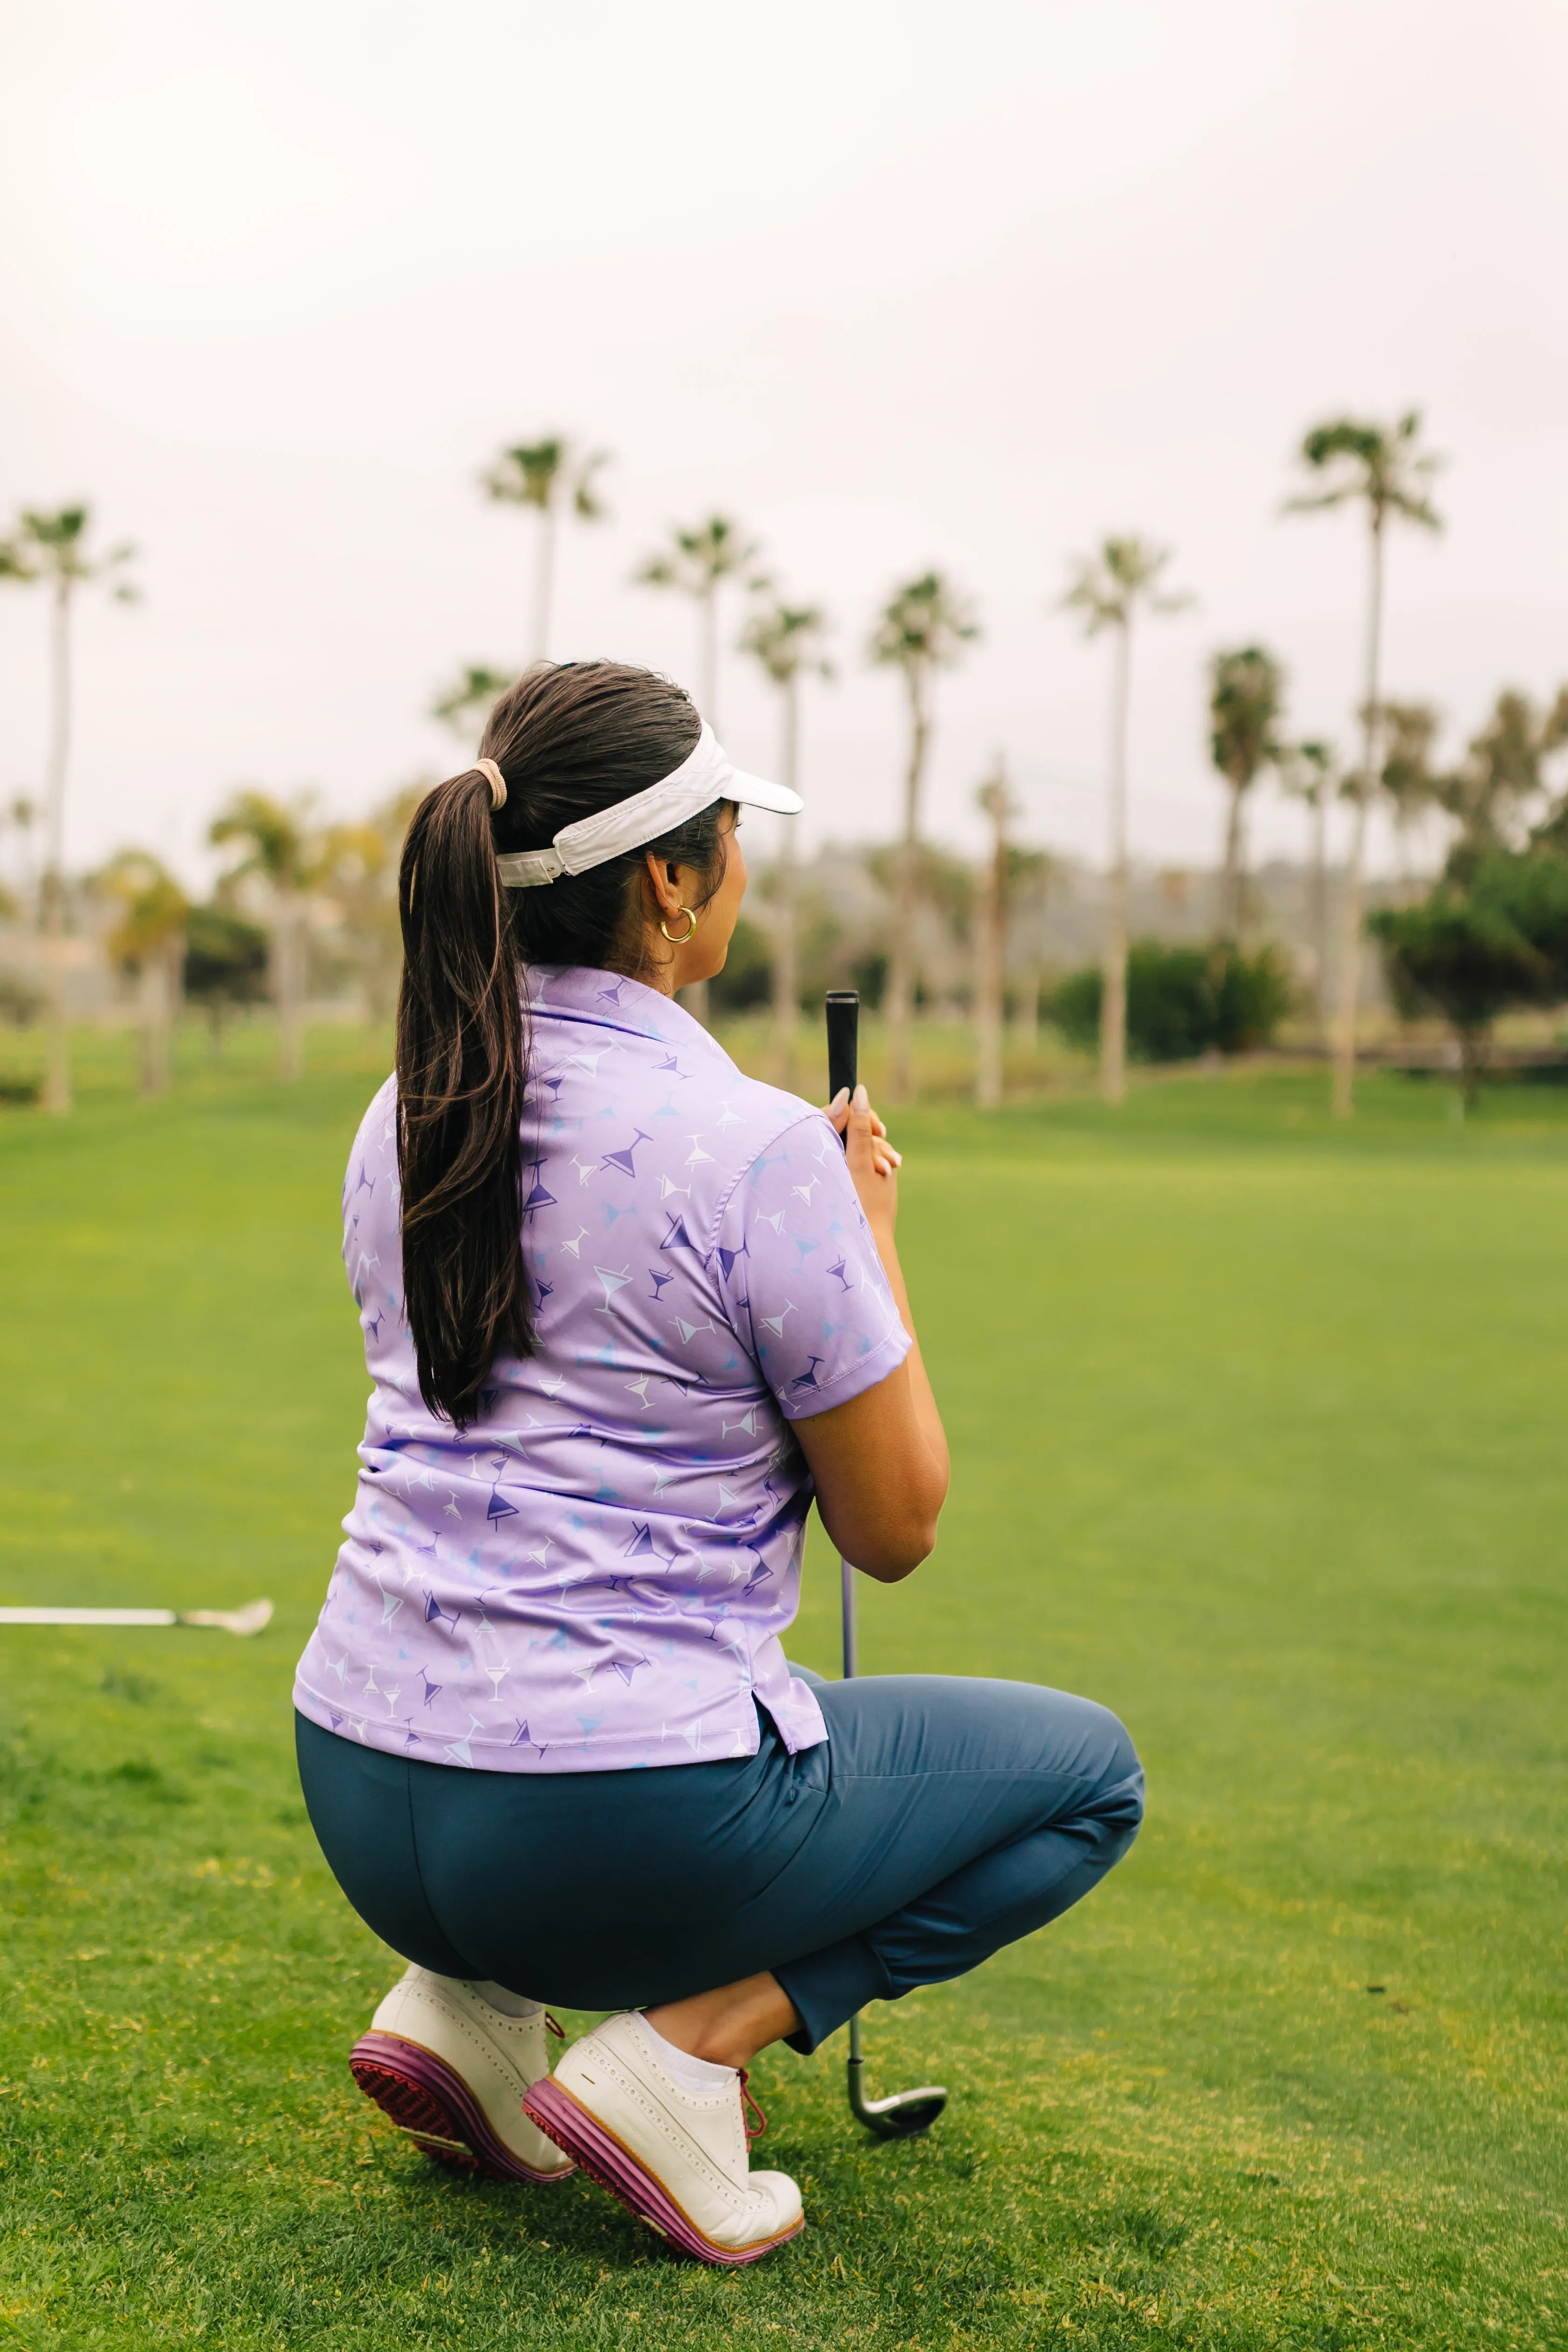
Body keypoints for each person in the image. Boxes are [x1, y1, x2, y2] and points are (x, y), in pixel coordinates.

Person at [294, 660, 1144, 2268]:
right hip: (607, 1830)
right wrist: (870, 1236)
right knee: (1090, 1777)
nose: (742, 860)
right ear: (674, 887)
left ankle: (471, 2010)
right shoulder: (758, 1148)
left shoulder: (401, 1108)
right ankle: (687, 2051)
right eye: (732, 832)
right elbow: (898, 1526)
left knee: (538, 1795)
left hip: (361, 1788)